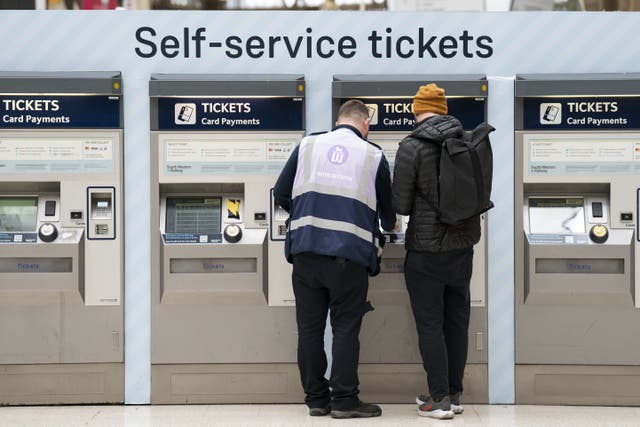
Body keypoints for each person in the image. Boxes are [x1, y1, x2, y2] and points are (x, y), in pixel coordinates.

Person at [274, 99, 395, 419]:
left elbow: (281, 192)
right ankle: (343, 400)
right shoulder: (373, 155)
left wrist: (308, 215)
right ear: (365, 124)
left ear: (339, 120)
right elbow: (388, 212)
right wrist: (385, 226)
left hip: (305, 253)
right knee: (344, 328)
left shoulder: (308, 145)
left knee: (310, 329)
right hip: (348, 256)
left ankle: (316, 399)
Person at [392, 83, 481, 419]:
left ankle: (439, 399)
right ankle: (454, 394)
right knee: (457, 322)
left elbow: (400, 203)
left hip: (427, 250)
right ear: (443, 111)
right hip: (463, 246)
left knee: (430, 323)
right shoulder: (468, 140)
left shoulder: (412, 146)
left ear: (417, 111)